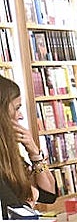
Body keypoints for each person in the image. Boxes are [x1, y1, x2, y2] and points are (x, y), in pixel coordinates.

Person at [0, 76, 56, 209]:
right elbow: (13, 207)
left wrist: (35, 153)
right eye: (17, 108)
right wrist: (30, 199)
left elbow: (49, 195)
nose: (21, 116)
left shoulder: (8, 152)